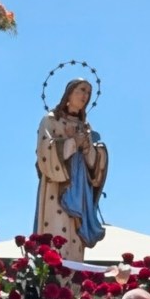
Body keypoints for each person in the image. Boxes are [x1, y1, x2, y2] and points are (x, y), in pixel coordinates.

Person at [35, 78, 109, 261]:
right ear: (69, 94)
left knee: (75, 239)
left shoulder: (86, 127)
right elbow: (45, 151)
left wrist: (89, 149)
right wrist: (71, 143)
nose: (85, 96)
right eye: (81, 90)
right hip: (57, 187)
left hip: (80, 188)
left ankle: (72, 284)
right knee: (56, 232)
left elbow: (92, 164)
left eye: (88, 93)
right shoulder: (51, 121)